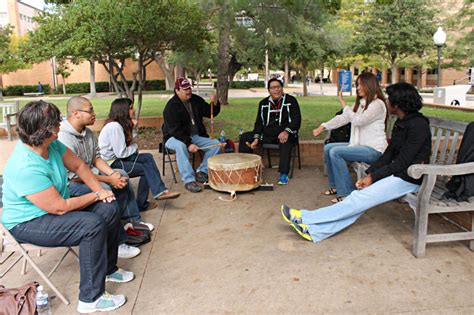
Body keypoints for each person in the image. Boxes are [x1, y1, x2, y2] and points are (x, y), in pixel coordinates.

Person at [1, 100, 132, 313]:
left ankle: (108, 269)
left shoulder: (51, 145)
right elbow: (60, 207)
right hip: (27, 222)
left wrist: (100, 190)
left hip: (51, 208)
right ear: (41, 132)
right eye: (54, 125)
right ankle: (91, 299)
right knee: (92, 225)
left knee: (109, 208)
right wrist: (97, 194)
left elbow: (79, 165)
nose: (59, 127)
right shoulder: (25, 166)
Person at [281, 82, 431, 243]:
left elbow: (403, 161)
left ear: (398, 103)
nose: (387, 102)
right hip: (398, 173)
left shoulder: (418, 125)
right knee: (359, 198)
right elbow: (389, 154)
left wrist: (373, 177)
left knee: (359, 198)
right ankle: (316, 232)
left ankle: (305, 217)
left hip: (410, 177)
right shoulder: (403, 122)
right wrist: (369, 174)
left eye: (389, 99)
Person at [58, 96, 153, 259]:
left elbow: (96, 158)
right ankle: (117, 243)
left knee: (121, 176)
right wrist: (109, 180)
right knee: (108, 190)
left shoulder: (87, 133)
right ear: (76, 114)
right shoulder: (63, 137)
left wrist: (112, 173)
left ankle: (129, 221)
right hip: (71, 184)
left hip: (89, 174)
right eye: (90, 110)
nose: (94, 113)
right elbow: (76, 177)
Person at [313, 72, 388, 202]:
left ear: (369, 85)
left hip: (374, 150)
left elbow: (358, 121)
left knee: (336, 152)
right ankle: (335, 186)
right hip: (360, 146)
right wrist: (323, 126)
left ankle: (347, 193)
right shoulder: (362, 104)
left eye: (360, 85)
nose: (357, 88)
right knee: (328, 148)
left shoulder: (377, 104)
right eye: (356, 85)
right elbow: (344, 118)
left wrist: (343, 104)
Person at [99, 98, 180, 208]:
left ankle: (159, 191)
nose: (134, 110)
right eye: (131, 108)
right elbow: (121, 153)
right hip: (111, 164)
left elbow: (129, 140)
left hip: (119, 159)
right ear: (123, 110)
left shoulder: (119, 125)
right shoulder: (114, 127)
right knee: (145, 169)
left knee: (147, 157)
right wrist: (135, 147)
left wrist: (133, 128)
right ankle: (143, 203)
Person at [162, 77, 221, 193]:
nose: (188, 91)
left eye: (189, 88)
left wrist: (215, 102)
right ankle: (189, 180)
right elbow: (175, 130)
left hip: (194, 135)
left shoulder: (195, 100)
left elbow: (209, 112)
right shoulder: (171, 107)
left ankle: (202, 171)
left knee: (216, 144)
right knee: (180, 146)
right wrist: (188, 143)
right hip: (173, 137)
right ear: (177, 90)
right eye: (185, 89)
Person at [238, 78, 301, 185]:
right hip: (267, 135)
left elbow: (296, 119)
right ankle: (247, 169)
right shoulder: (263, 103)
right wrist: (256, 138)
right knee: (245, 137)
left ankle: (283, 173)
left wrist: (286, 131)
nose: (276, 90)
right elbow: (259, 123)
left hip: (285, 134)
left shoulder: (291, 101)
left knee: (285, 140)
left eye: (278, 87)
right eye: (272, 88)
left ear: (282, 88)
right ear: (269, 90)